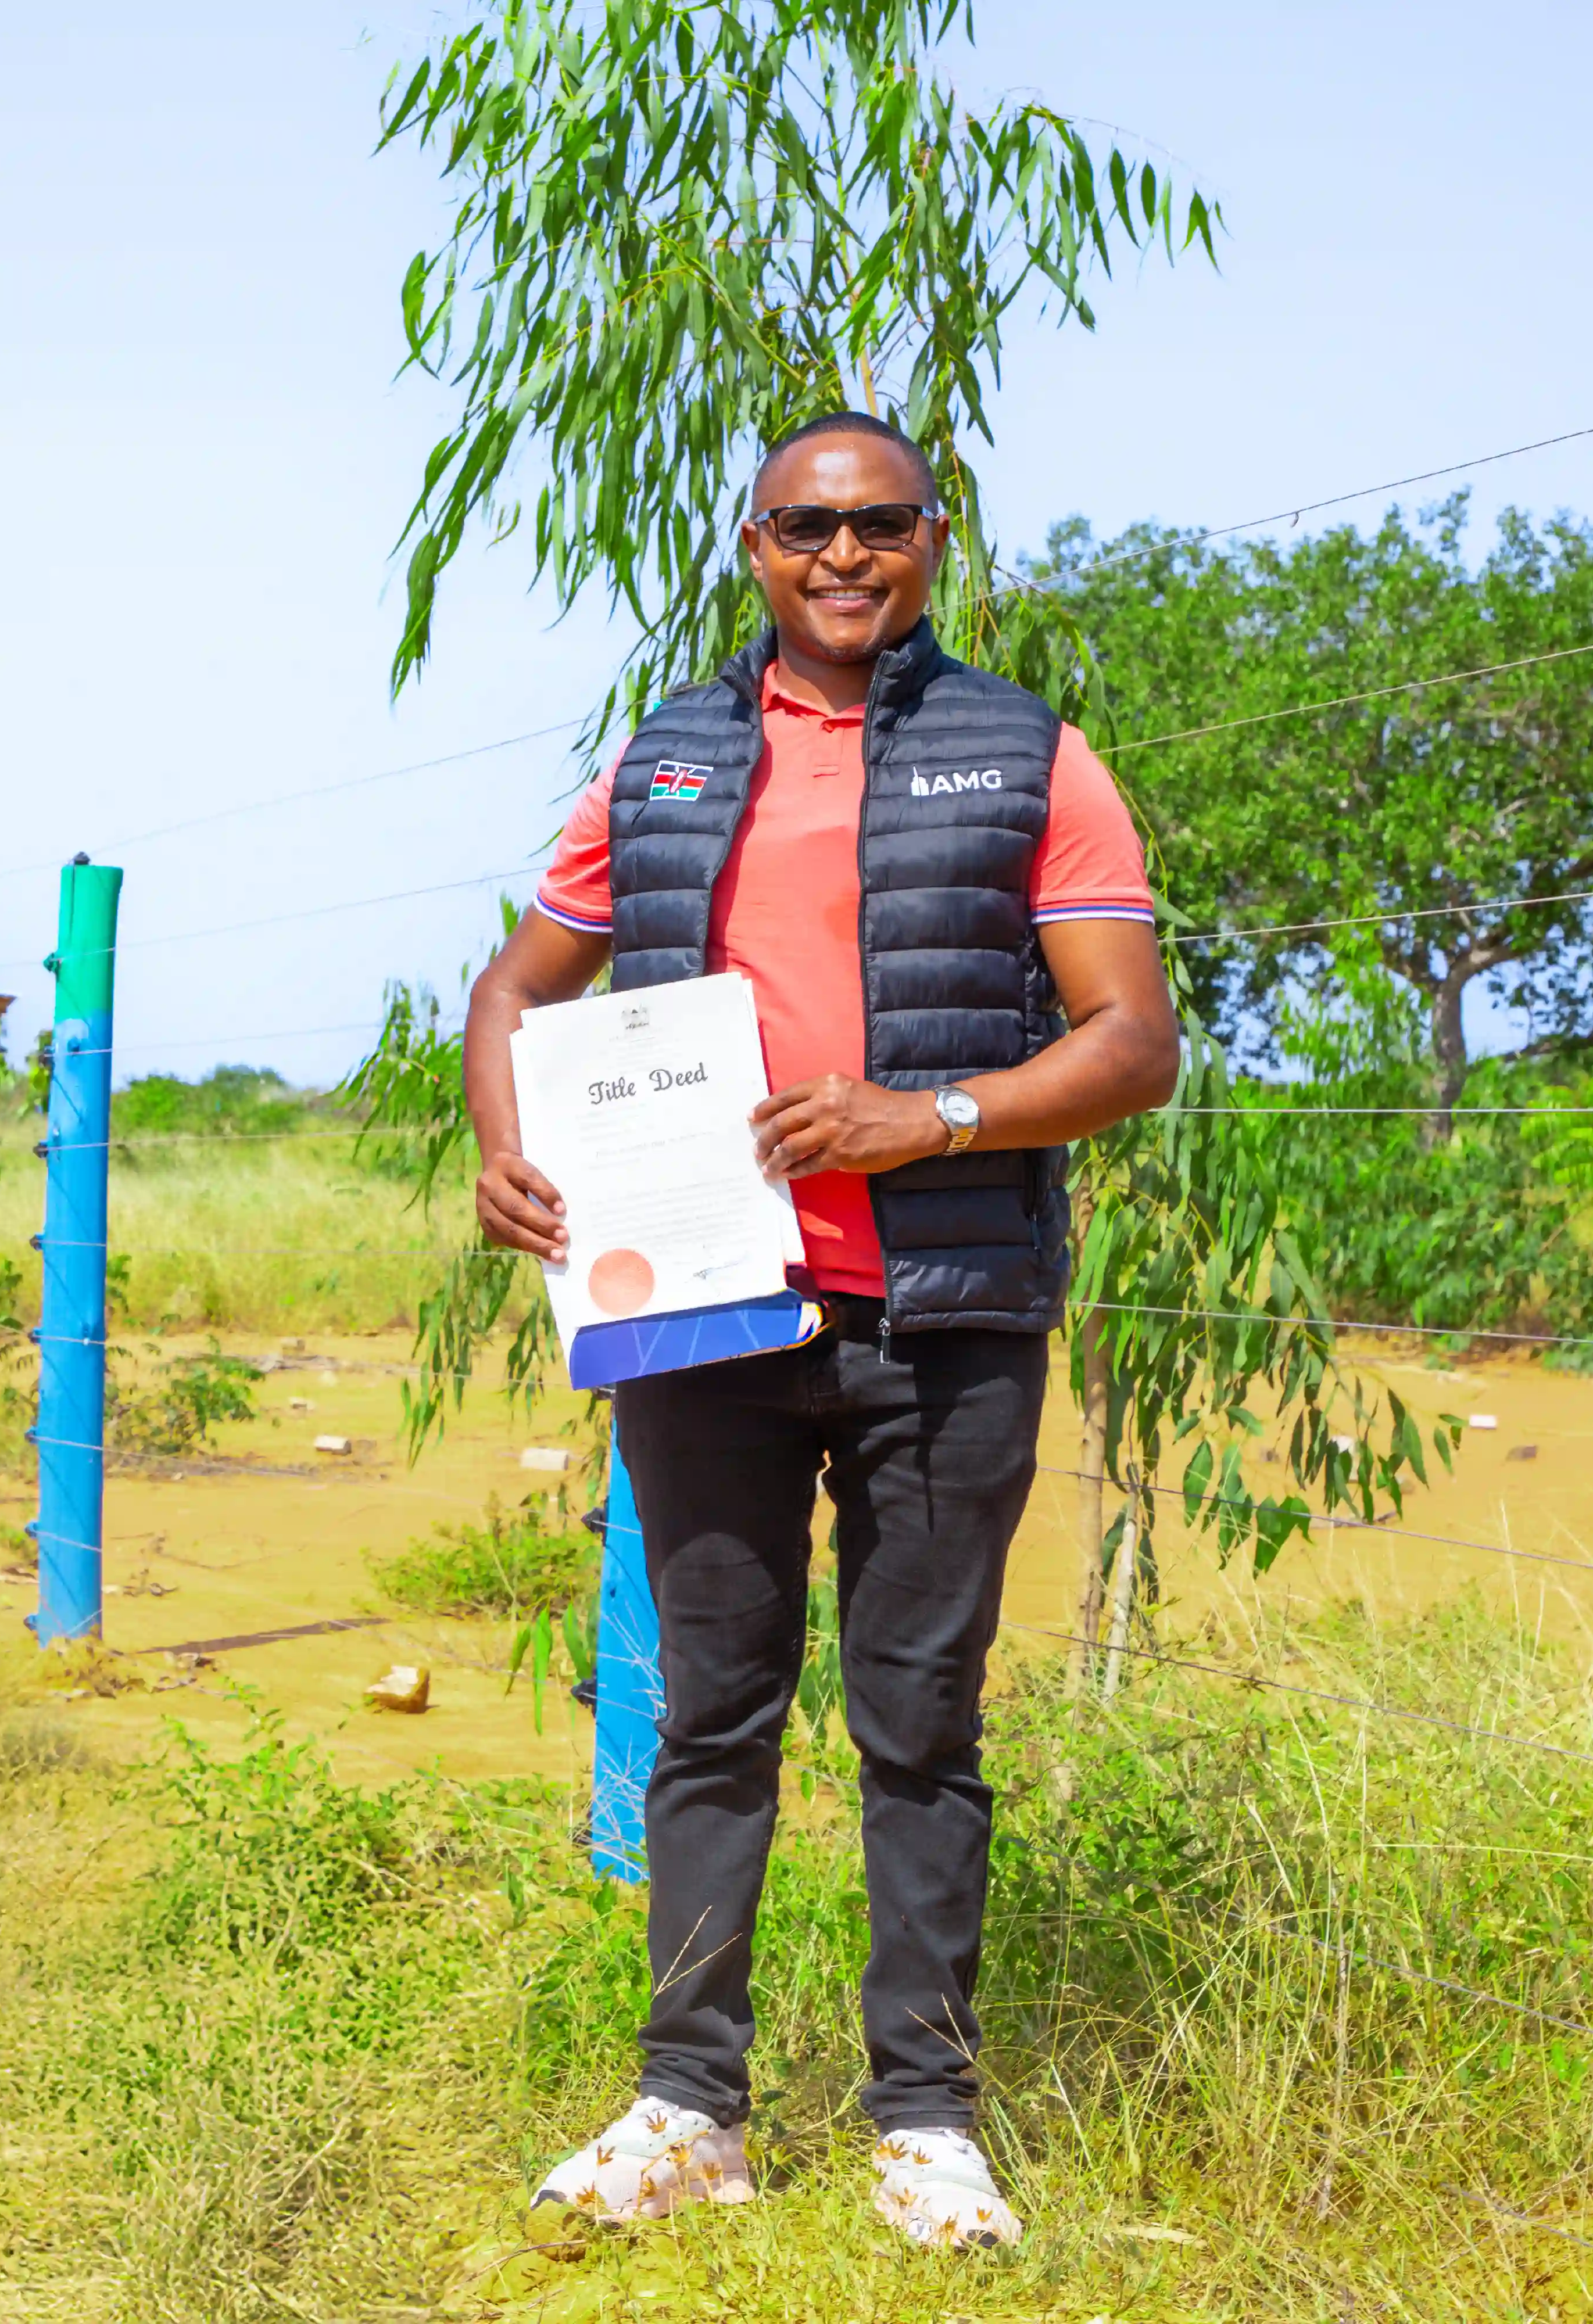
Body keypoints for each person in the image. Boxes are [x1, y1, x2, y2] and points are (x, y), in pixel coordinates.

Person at [460, 410, 1180, 2249]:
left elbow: (1130, 1045)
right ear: (755, 545)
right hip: (706, 1318)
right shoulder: (668, 761)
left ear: (935, 542)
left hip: (947, 1316)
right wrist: (505, 1143)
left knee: (919, 1729)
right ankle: (688, 2104)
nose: (844, 558)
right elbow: (518, 982)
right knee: (711, 1715)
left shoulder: (1029, 755)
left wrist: (925, 1120)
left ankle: (925, 2123)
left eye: (881, 527)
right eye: (807, 528)